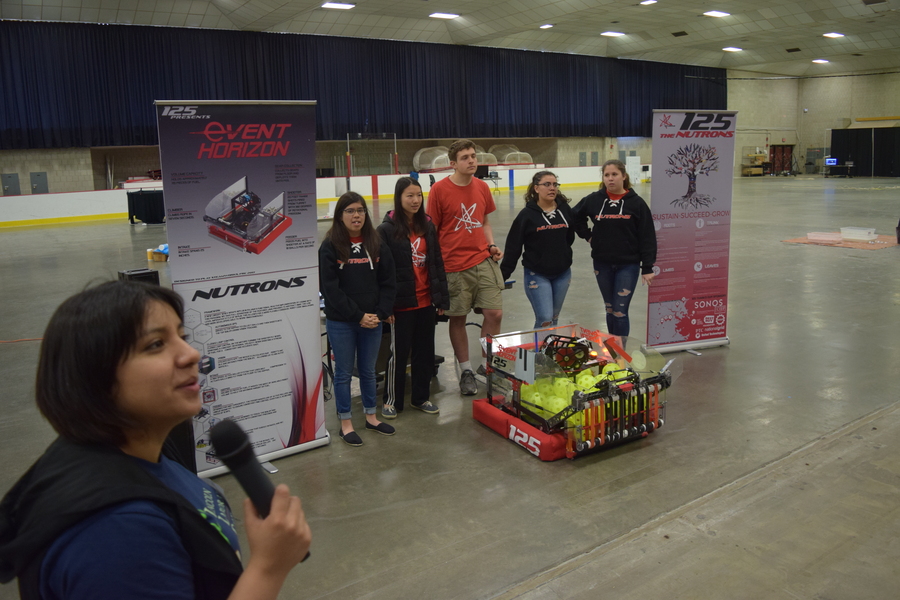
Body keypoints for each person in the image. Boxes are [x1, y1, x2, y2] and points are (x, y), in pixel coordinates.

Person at [0, 280, 311, 600]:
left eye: (182, 336)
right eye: (155, 345)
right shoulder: (118, 534)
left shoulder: (141, 452)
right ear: (95, 377)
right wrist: (268, 569)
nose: (191, 354)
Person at [425, 139, 504, 396]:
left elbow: (484, 222)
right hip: (453, 267)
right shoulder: (439, 190)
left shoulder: (482, 187)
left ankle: (487, 366)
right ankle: (466, 369)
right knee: (457, 319)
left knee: (494, 314)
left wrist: (491, 245)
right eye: (465, 157)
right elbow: (432, 231)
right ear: (453, 163)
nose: (472, 161)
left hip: (482, 261)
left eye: (473, 156)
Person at [319, 191, 396, 446]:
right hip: (342, 321)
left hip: (372, 320)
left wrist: (380, 313)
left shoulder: (376, 243)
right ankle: (346, 423)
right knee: (342, 373)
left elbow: (388, 282)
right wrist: (358, 315)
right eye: (350, 211)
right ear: (340, 216)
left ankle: (371, 417)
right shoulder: (329, 247)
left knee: (368, 371)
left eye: (360, 210)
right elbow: (331, 291)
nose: (356, 215)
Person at [376, 177, 450, 418]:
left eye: (419, 195)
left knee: (425, 352)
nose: (415, 200)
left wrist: (441, 299)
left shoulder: (427, 226)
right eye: (410, 195)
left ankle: (421, 397)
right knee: (398, 354)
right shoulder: (386, 230)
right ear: (399, 198)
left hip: (426, 302)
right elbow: (381, 272)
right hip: (402, 305)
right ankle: (391, 401)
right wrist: (385, 307)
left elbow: (437, 263)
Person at [572, 159, 657, 338]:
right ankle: (613, 351)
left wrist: (647, 267)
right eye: (607, 175)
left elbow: (647, 236)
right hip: (602, 264)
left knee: (620, 312)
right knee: (610, 309)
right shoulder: (594, 200)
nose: (610, 179)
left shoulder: (637, 203)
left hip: (628, 265)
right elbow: (574, 216)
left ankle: (621, 355)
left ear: (623, 176)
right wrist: (588, 235)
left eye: (615, 174)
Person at [500, 170, 579, 329]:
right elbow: (513, 247)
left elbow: (569, 238)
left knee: (554, 318)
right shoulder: (527, 215)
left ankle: (548, 352)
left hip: (562, 274)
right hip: (537, 274)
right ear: (536, 188)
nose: (552, 188)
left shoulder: (564, 210)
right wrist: (502, 275)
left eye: (555, 184)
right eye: (547, 184)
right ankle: (539, 353)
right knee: (545, 318)